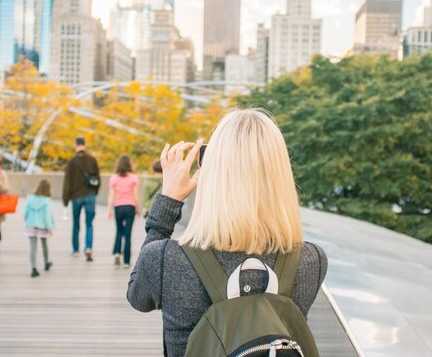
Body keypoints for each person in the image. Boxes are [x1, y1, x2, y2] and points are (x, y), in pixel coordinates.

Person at [127, 109, 328, 356]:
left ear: (213, 171)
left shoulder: (164, 259)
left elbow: (137, 297)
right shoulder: (311, 260)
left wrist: (168, 201)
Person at [62, 136, 100, 262]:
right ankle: (88, 247)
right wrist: (95, 192)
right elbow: (97, 179)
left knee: (76, 223)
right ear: (84, 144)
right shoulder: (92, 160)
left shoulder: (72, 162)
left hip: (76, 196)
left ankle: (76, 250)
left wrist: (65, 200)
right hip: (90, 195)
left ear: (76, 145)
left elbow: (67, 182)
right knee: (89, 223)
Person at [108, 155, 140, 268]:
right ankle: (126, 261)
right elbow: (135, 195)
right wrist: (138, 208)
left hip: (118, 207)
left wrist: (109, 209)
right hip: (130, 207)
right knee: (128, 234)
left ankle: (117, 253)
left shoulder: (114, 178)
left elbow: (111, 195)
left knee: (119, 231)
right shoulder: (133, 178)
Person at [24, 179, 54, 278]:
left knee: (33, 247)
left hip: (31, 225)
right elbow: (47, 216)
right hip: (42, 226)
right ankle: (46, 263)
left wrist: (26, 221)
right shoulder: (47, 201)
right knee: (44, 244)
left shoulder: (30, 198)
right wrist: (50, 228)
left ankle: (33, 268)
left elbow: (25, 213)